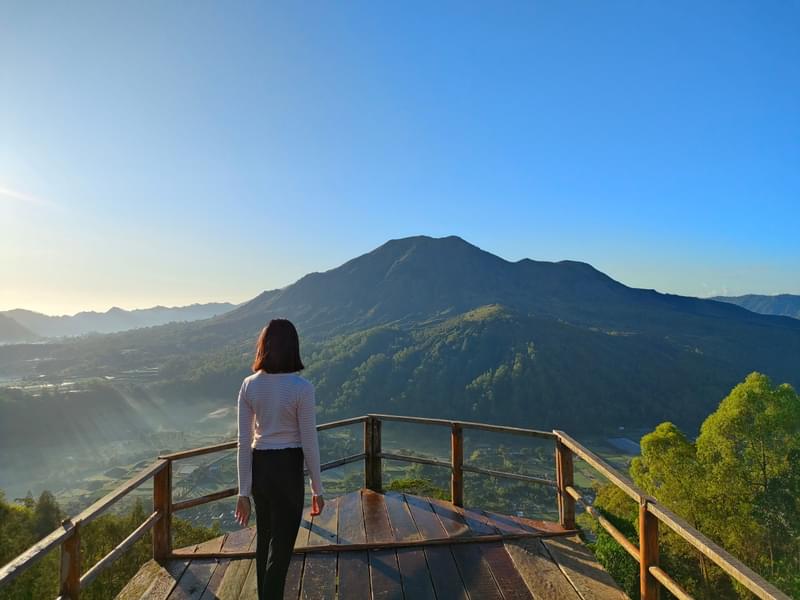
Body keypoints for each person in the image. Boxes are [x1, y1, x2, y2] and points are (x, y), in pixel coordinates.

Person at [234, 318, 324, 599]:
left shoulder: (249, 386)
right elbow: (309, 441)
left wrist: (243, 492)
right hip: (288, 468)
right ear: (293, 347)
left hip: (260, 466)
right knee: (282, 548)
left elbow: (244, 441)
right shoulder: (302, 388)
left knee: (265, 539)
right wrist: (317, 488)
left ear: (264, 346)